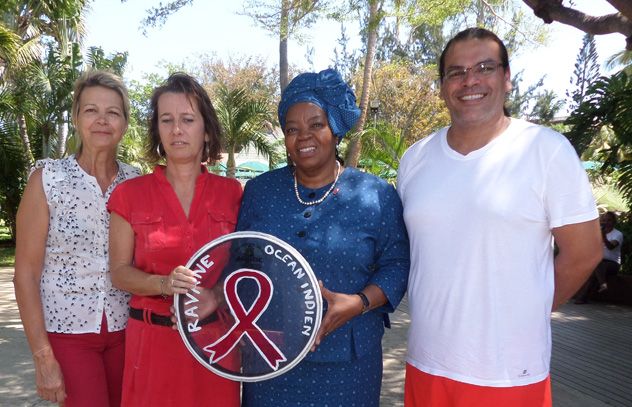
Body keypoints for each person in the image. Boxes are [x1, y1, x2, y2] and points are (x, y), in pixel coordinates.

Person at [397, 28, 603, 407]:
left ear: (506, 78)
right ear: (443, 86)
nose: (469, 80)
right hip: (427, 362)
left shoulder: (545, 150)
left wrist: (527, 309)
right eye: (456, 72)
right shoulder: (415, 159)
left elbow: (586, 251)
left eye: (484, 67)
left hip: (507, 372)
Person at [237, 68, 410, 406]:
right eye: (292, 129)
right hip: (271, 356)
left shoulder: (375, 195)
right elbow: (241, 260)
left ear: (335, 128)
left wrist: (358, 302)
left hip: (348, 364)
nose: (304, 137)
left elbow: (397, 264)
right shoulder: (261, 191)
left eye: (316, 124)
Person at [107, 73, 241, 406]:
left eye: (187, 119)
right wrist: (163, 283)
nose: (176, 129)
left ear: (206, 129)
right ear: (157, 130)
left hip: (215, 344)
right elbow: (119, 272)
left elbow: (249, 266)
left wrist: (218, 295)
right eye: (166, 120)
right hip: (152, 346)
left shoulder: (233, 194)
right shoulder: (129, 195)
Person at [13, 70, 141, 406]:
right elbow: (25, 273)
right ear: (76, 117)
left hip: (129, 331)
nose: (102, 120)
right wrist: (43, 357)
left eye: (112, 112)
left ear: (125, 122)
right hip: (67, 333)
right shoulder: (47, 179)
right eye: (91, 110)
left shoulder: (136, 183)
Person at [575, 211, 624, 303]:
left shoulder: (618, 234)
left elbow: (611, 247)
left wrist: (603, 237)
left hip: (613, 264)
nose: (606, 222)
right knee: (595, 267)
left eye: (609, 220)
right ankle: (583, 297)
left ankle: (600, 285)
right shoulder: (597, 232)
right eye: (604, 220)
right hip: (599, 262)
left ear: (614, 222)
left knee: (598, 265)